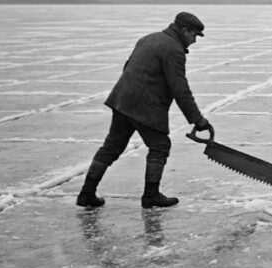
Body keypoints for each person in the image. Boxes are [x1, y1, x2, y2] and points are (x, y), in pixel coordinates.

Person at [76, 12, 213, 209]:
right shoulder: (174, 50)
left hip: (122, 100)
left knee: (111, 147)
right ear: (184, 30)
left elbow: (127, 66)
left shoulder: (148, 39)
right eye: (194, 35)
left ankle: (86, 193)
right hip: (145, 105)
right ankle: (151, 195)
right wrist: (197, 120)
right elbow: (180, 89)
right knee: (160, 146)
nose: (194, 41)